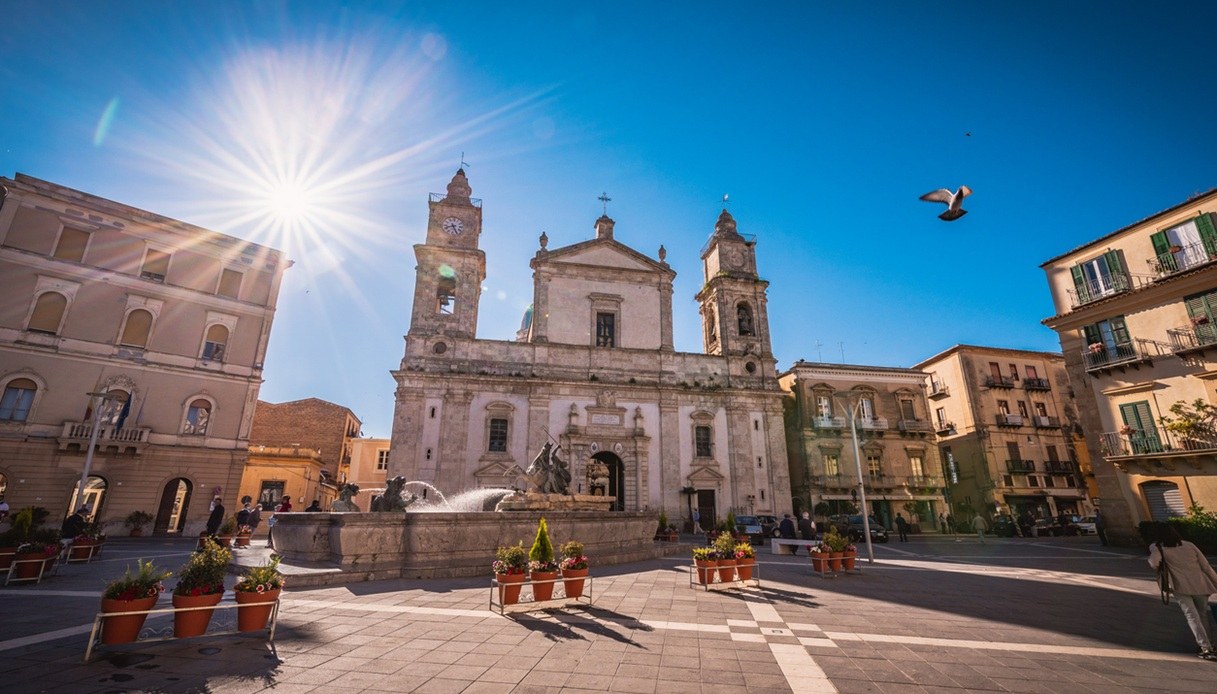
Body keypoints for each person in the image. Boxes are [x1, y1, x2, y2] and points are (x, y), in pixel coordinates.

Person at [1146, 522, 1217, 660]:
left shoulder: (1158, 547)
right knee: (1202, 614)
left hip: (1180, 586)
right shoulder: (1189, 545)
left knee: (1191, 615)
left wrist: (1155, 550)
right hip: (1200, 584)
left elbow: (1154, 563)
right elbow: (1206, 566)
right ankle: (1210, 644)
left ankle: (1205, 647)